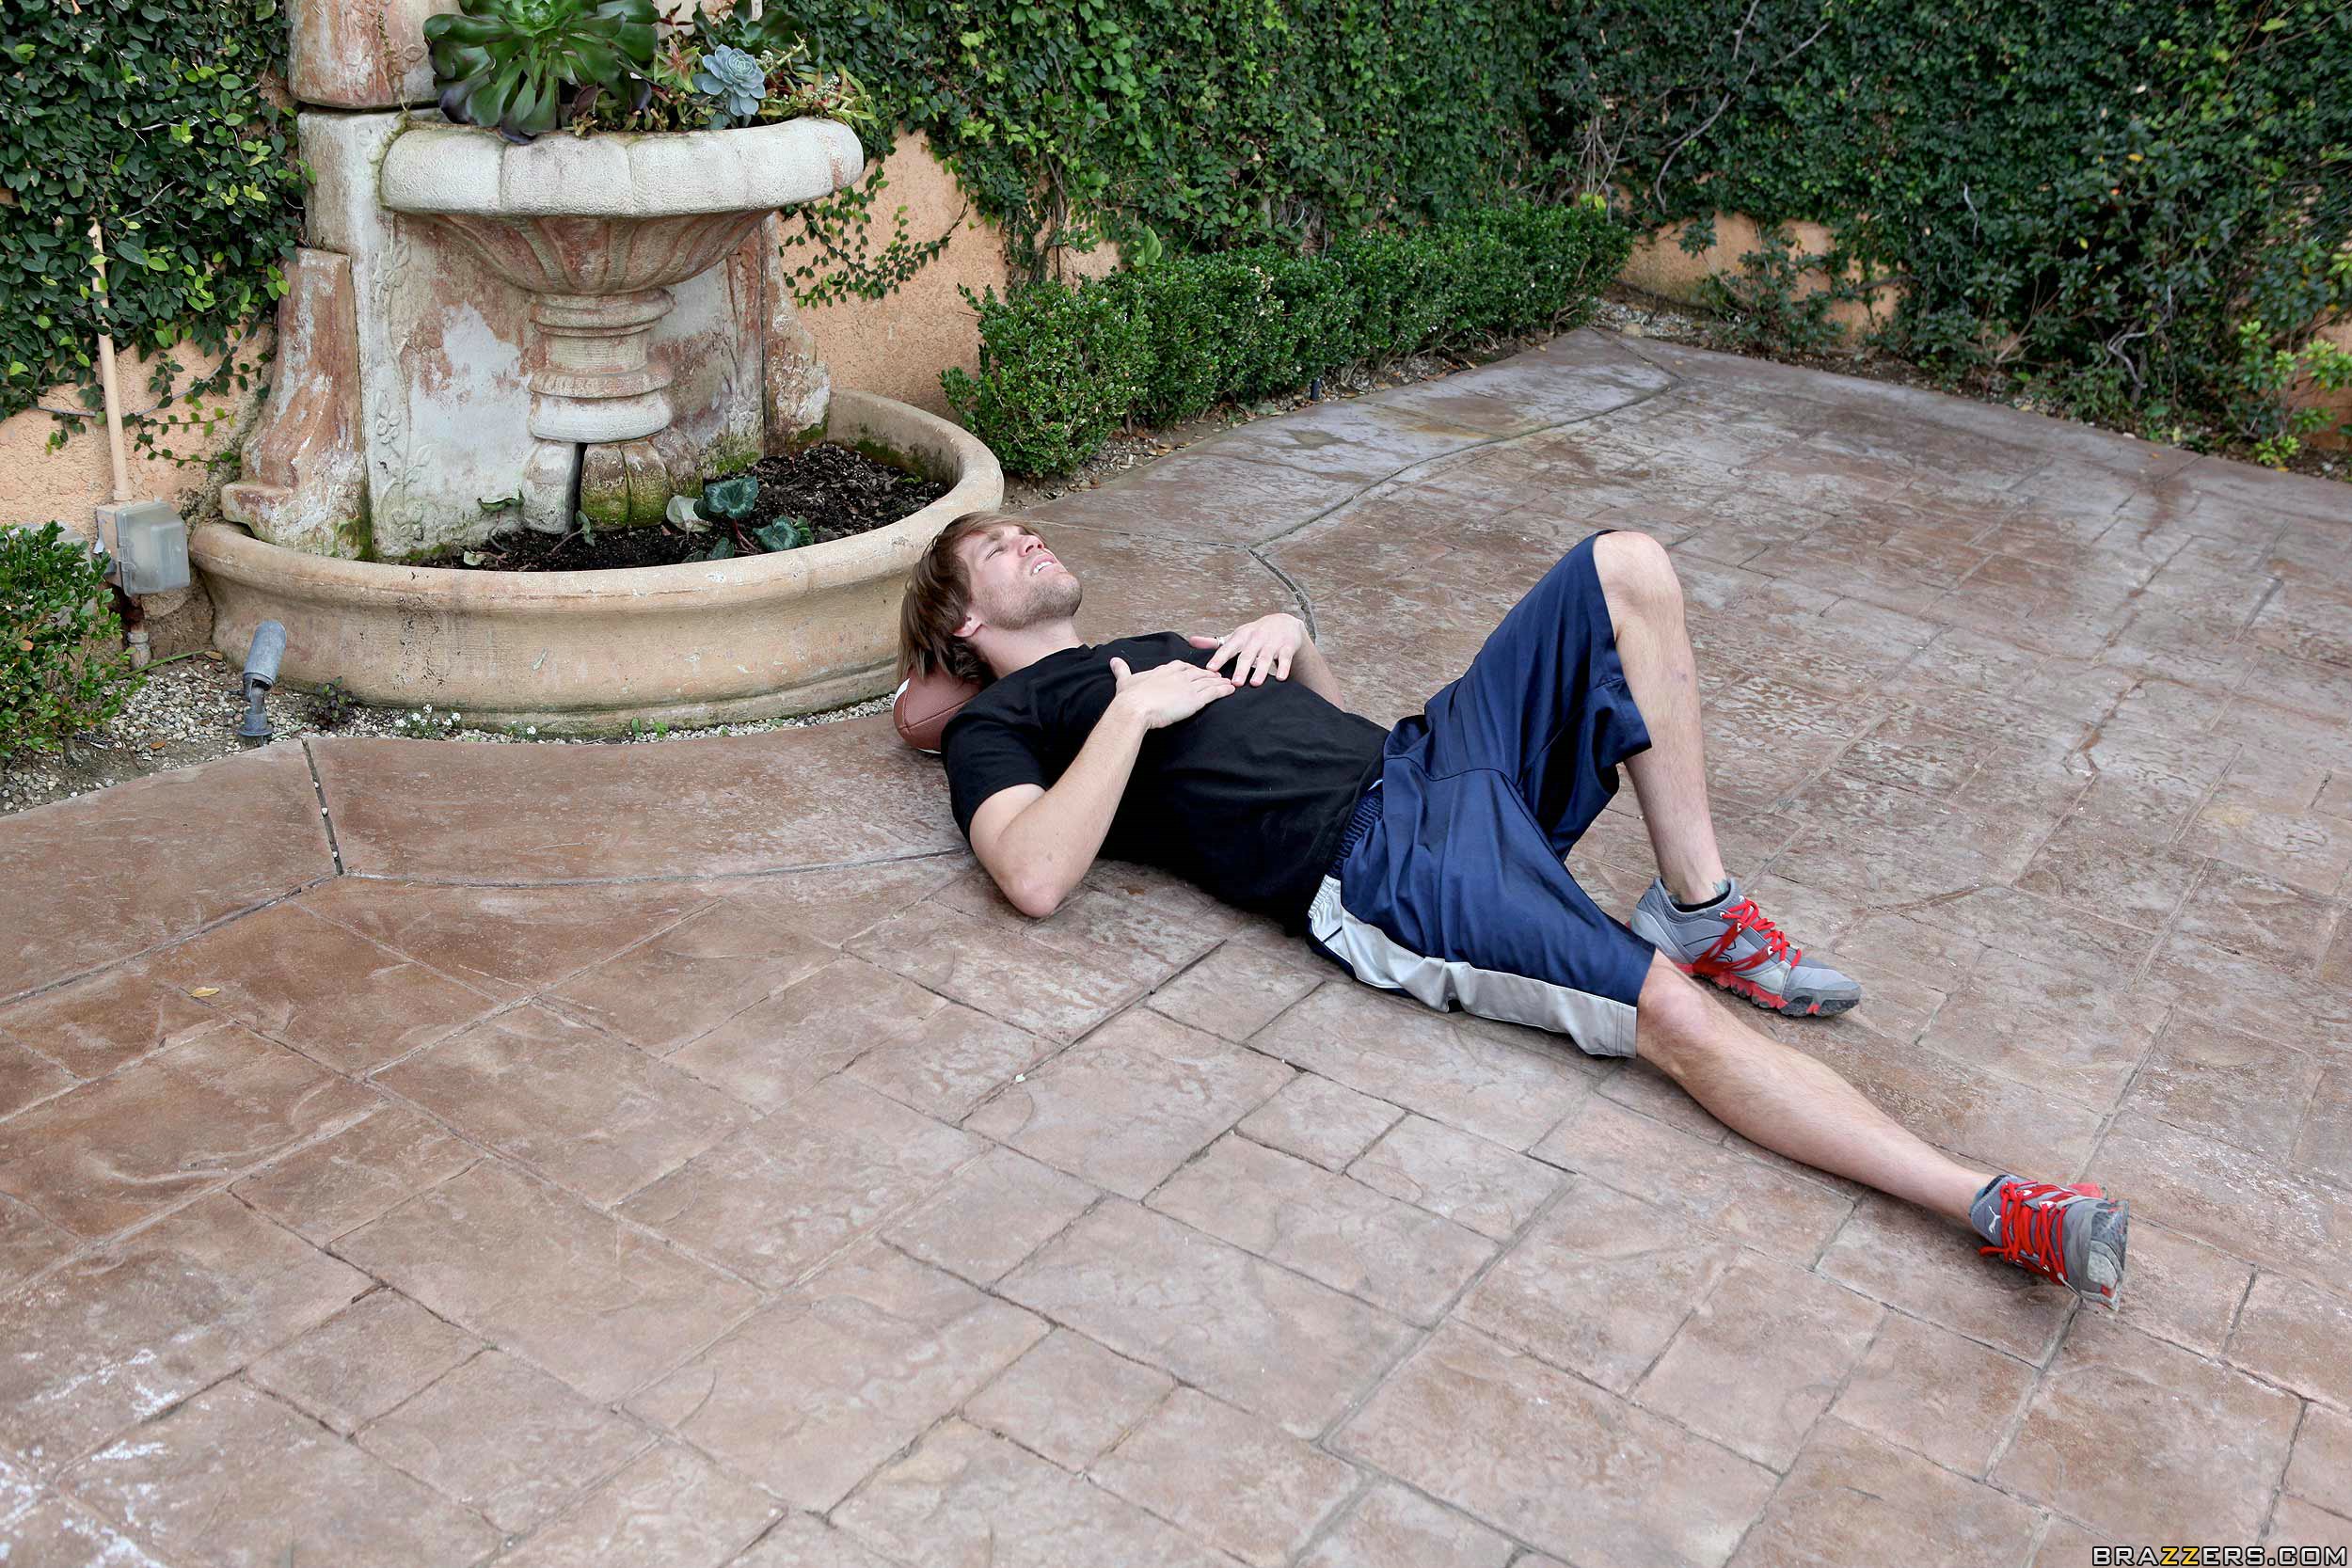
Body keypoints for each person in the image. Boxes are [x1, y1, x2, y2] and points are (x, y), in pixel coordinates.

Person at [898, 510, 2129, 1302]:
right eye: (995, 547)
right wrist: (1128, 713)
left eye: (1022, 525)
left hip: (1427, 758)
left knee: (1624, 566)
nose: (1027, 536)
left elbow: (1321, 718)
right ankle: (1985, 1201)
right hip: (1389, 866)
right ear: (964, 620)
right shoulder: (1002, 725)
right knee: (1672, 1020)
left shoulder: (1153, 639)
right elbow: (1033, 876)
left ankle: (1701, 907)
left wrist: (1290, 640)